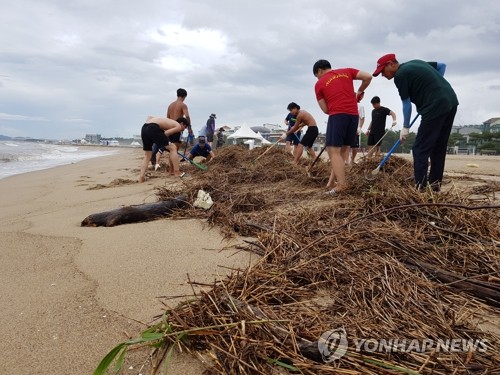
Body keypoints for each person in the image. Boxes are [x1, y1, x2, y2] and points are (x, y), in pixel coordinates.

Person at [372, 53, 458, 191]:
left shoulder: (400, 76)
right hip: (451, 101)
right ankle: (435, 187)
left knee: (419, 149)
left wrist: (405, 127)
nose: (383, 75)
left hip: (434, 106)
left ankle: (421, 188)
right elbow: (442, 65)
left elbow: (406, 104)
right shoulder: (417, 62)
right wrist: (434, 88)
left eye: (383, 71)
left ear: (391, 64)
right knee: (438, 148)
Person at [313, 59, 372, 194]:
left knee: (333, 151)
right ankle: (334, 182)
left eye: (317, 75)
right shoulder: (347, 71)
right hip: (353, 116)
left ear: (319, 71)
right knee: (343, 150)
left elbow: (325, 110)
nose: (318, 78)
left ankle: (341, 185)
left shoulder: (319, 84)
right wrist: (360, 91)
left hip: (337, 115)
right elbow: (368, 77)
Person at [139, 116, 187, 182]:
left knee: (147, 155)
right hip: (153, 128)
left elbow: (149, 117)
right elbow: (165, 134)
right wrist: (161, 140)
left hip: (144, 128)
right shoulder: (178, 126)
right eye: (185, 127)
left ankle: (141, 177)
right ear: (181, 123)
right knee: (173, 147)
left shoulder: (164, 120)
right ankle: (177, 172)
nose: (183, 130)